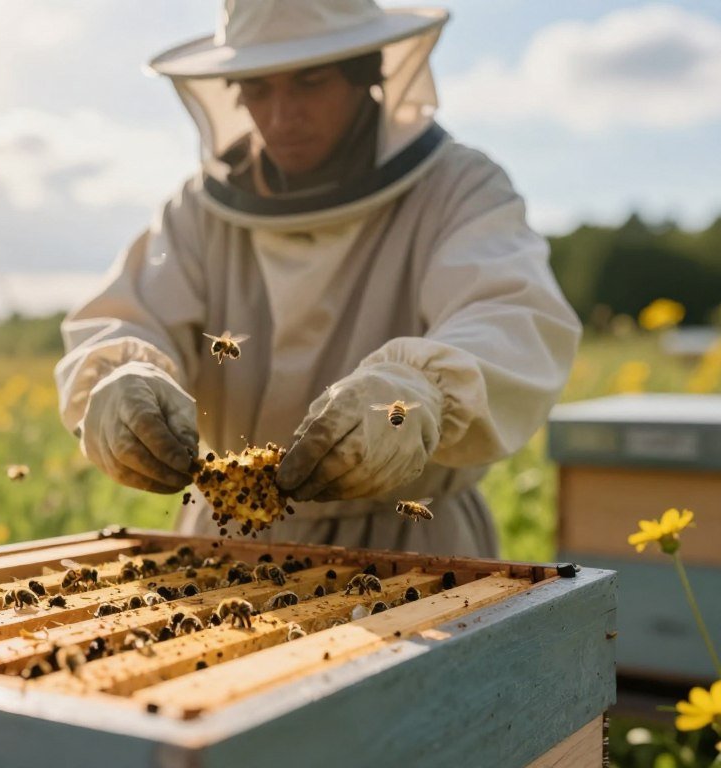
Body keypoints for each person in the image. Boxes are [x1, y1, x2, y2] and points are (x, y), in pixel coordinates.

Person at [54, 0, 581, 557]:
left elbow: (509, 317)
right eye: (257, 88)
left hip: (410, 538)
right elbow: (131, 317)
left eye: (310, 82)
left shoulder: (460, 188)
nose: (282, 116)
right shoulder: (196, 212)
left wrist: (421, 392)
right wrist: (123, 376)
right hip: (228, 540)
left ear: (365, 71)